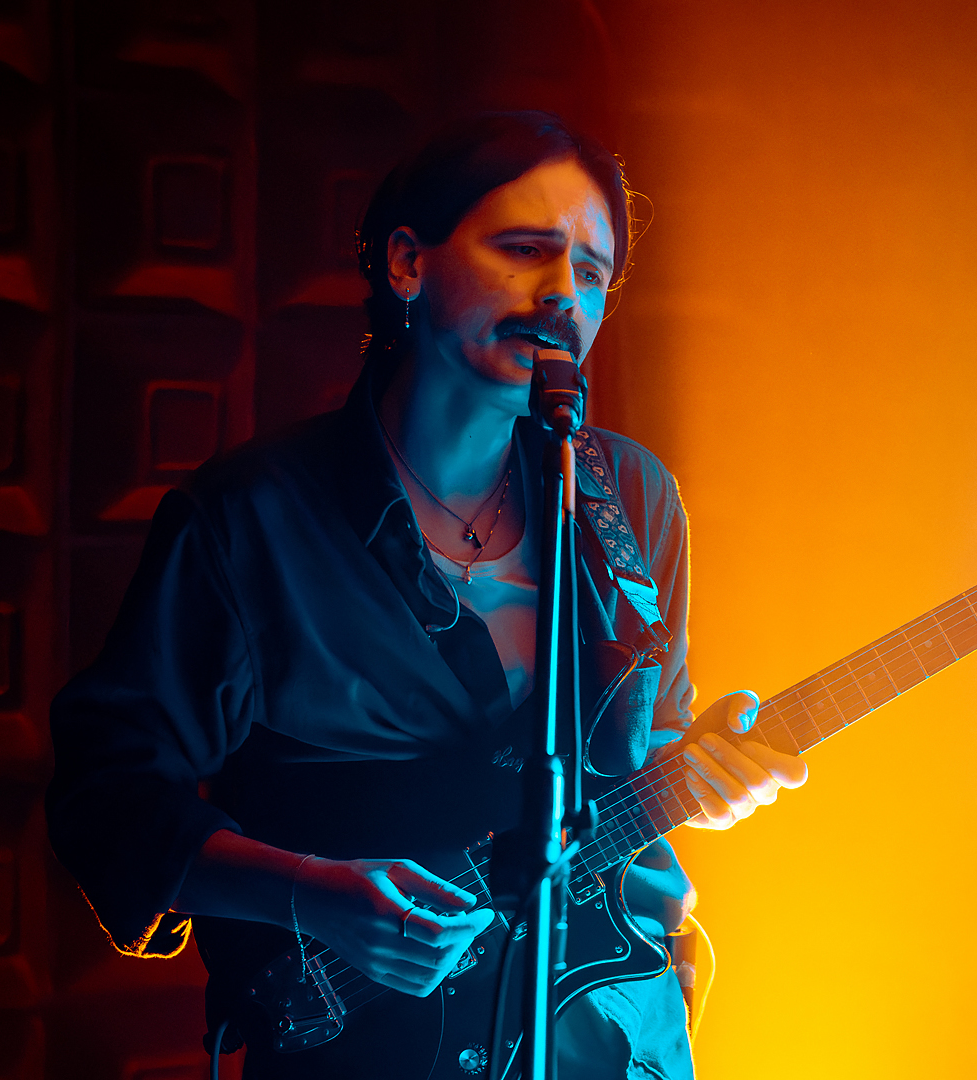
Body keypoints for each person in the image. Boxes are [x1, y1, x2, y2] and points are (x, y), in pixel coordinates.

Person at [46, 111, 808, 1079]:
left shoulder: (632, 496)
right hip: (368, 1046)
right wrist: (311, 895)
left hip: (614, 1030)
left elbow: (639, 754)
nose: (563, 294)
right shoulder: (251, 519)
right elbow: (107, 798)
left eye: (592, 272)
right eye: (525, 250)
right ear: (408, 262)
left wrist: (702, 770)